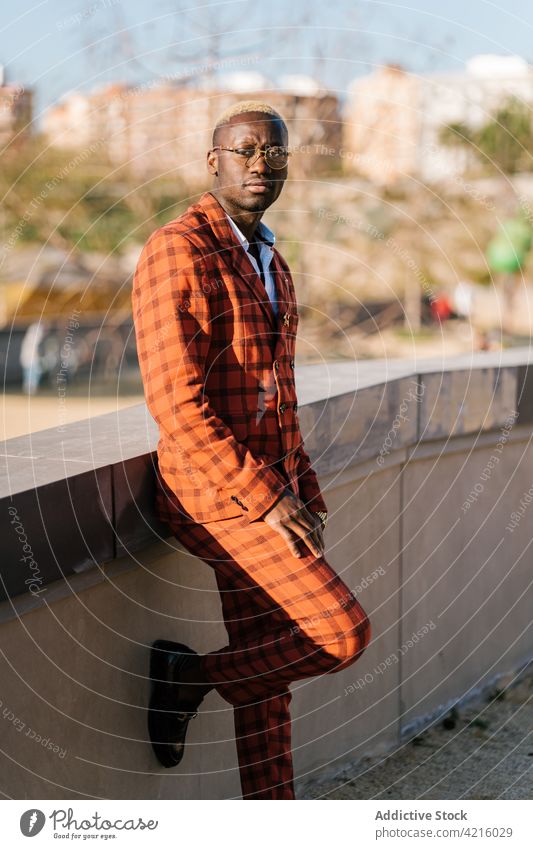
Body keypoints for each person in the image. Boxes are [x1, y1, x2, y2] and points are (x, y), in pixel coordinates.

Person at [131, 100, 372, 799]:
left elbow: (276, 393)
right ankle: (186, 679)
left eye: (276, 154)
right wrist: (266, 496)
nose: (262, 166)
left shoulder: (269, 256)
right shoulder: (178, 249)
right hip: (214, 496)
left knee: (266, 690)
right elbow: (176, 404)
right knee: (338, 632)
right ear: (214, 162)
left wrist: (302, 490)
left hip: (271, 493)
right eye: (245, 151)